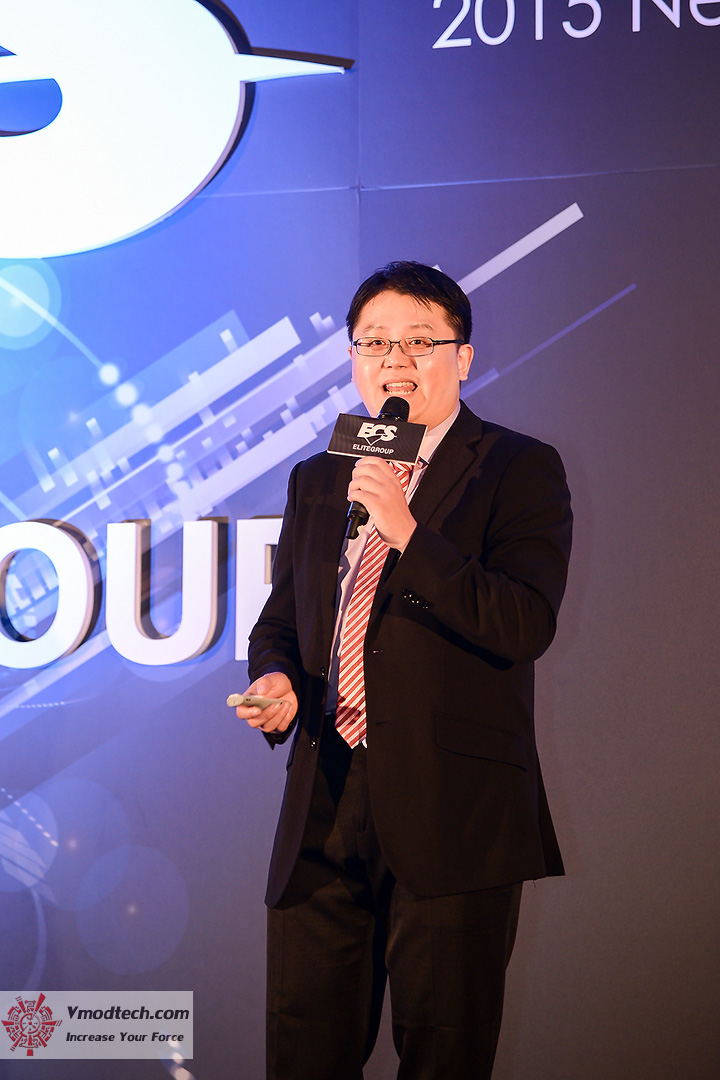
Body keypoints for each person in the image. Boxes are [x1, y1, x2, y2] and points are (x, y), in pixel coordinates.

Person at [236, 261, 572, 1080]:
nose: (396, 360)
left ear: (463, 357)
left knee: (444, 1053)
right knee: (302, 1054)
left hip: (453, 813)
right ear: (354, 359)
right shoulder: (322, 476)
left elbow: (522, 622)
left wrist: (409, 531)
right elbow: (283, 620)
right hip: (325, 802)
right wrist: (279, 679)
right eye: (376, 342)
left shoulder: (517, 466)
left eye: (420, 341)